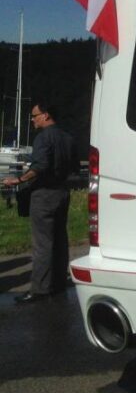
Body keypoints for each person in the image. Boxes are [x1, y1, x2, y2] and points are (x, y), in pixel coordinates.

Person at [2, 101, 76, 304]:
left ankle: (40, 288)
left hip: (44, 194)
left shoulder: (43, 138)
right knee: (60, 239)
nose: (32, 119)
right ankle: (59, 282)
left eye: (34, 115)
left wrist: (18, 180)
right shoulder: (67, 137)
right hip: (62, 192)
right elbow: (75, 166)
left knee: (43, 243)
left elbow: (40, 166)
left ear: (46, 115)